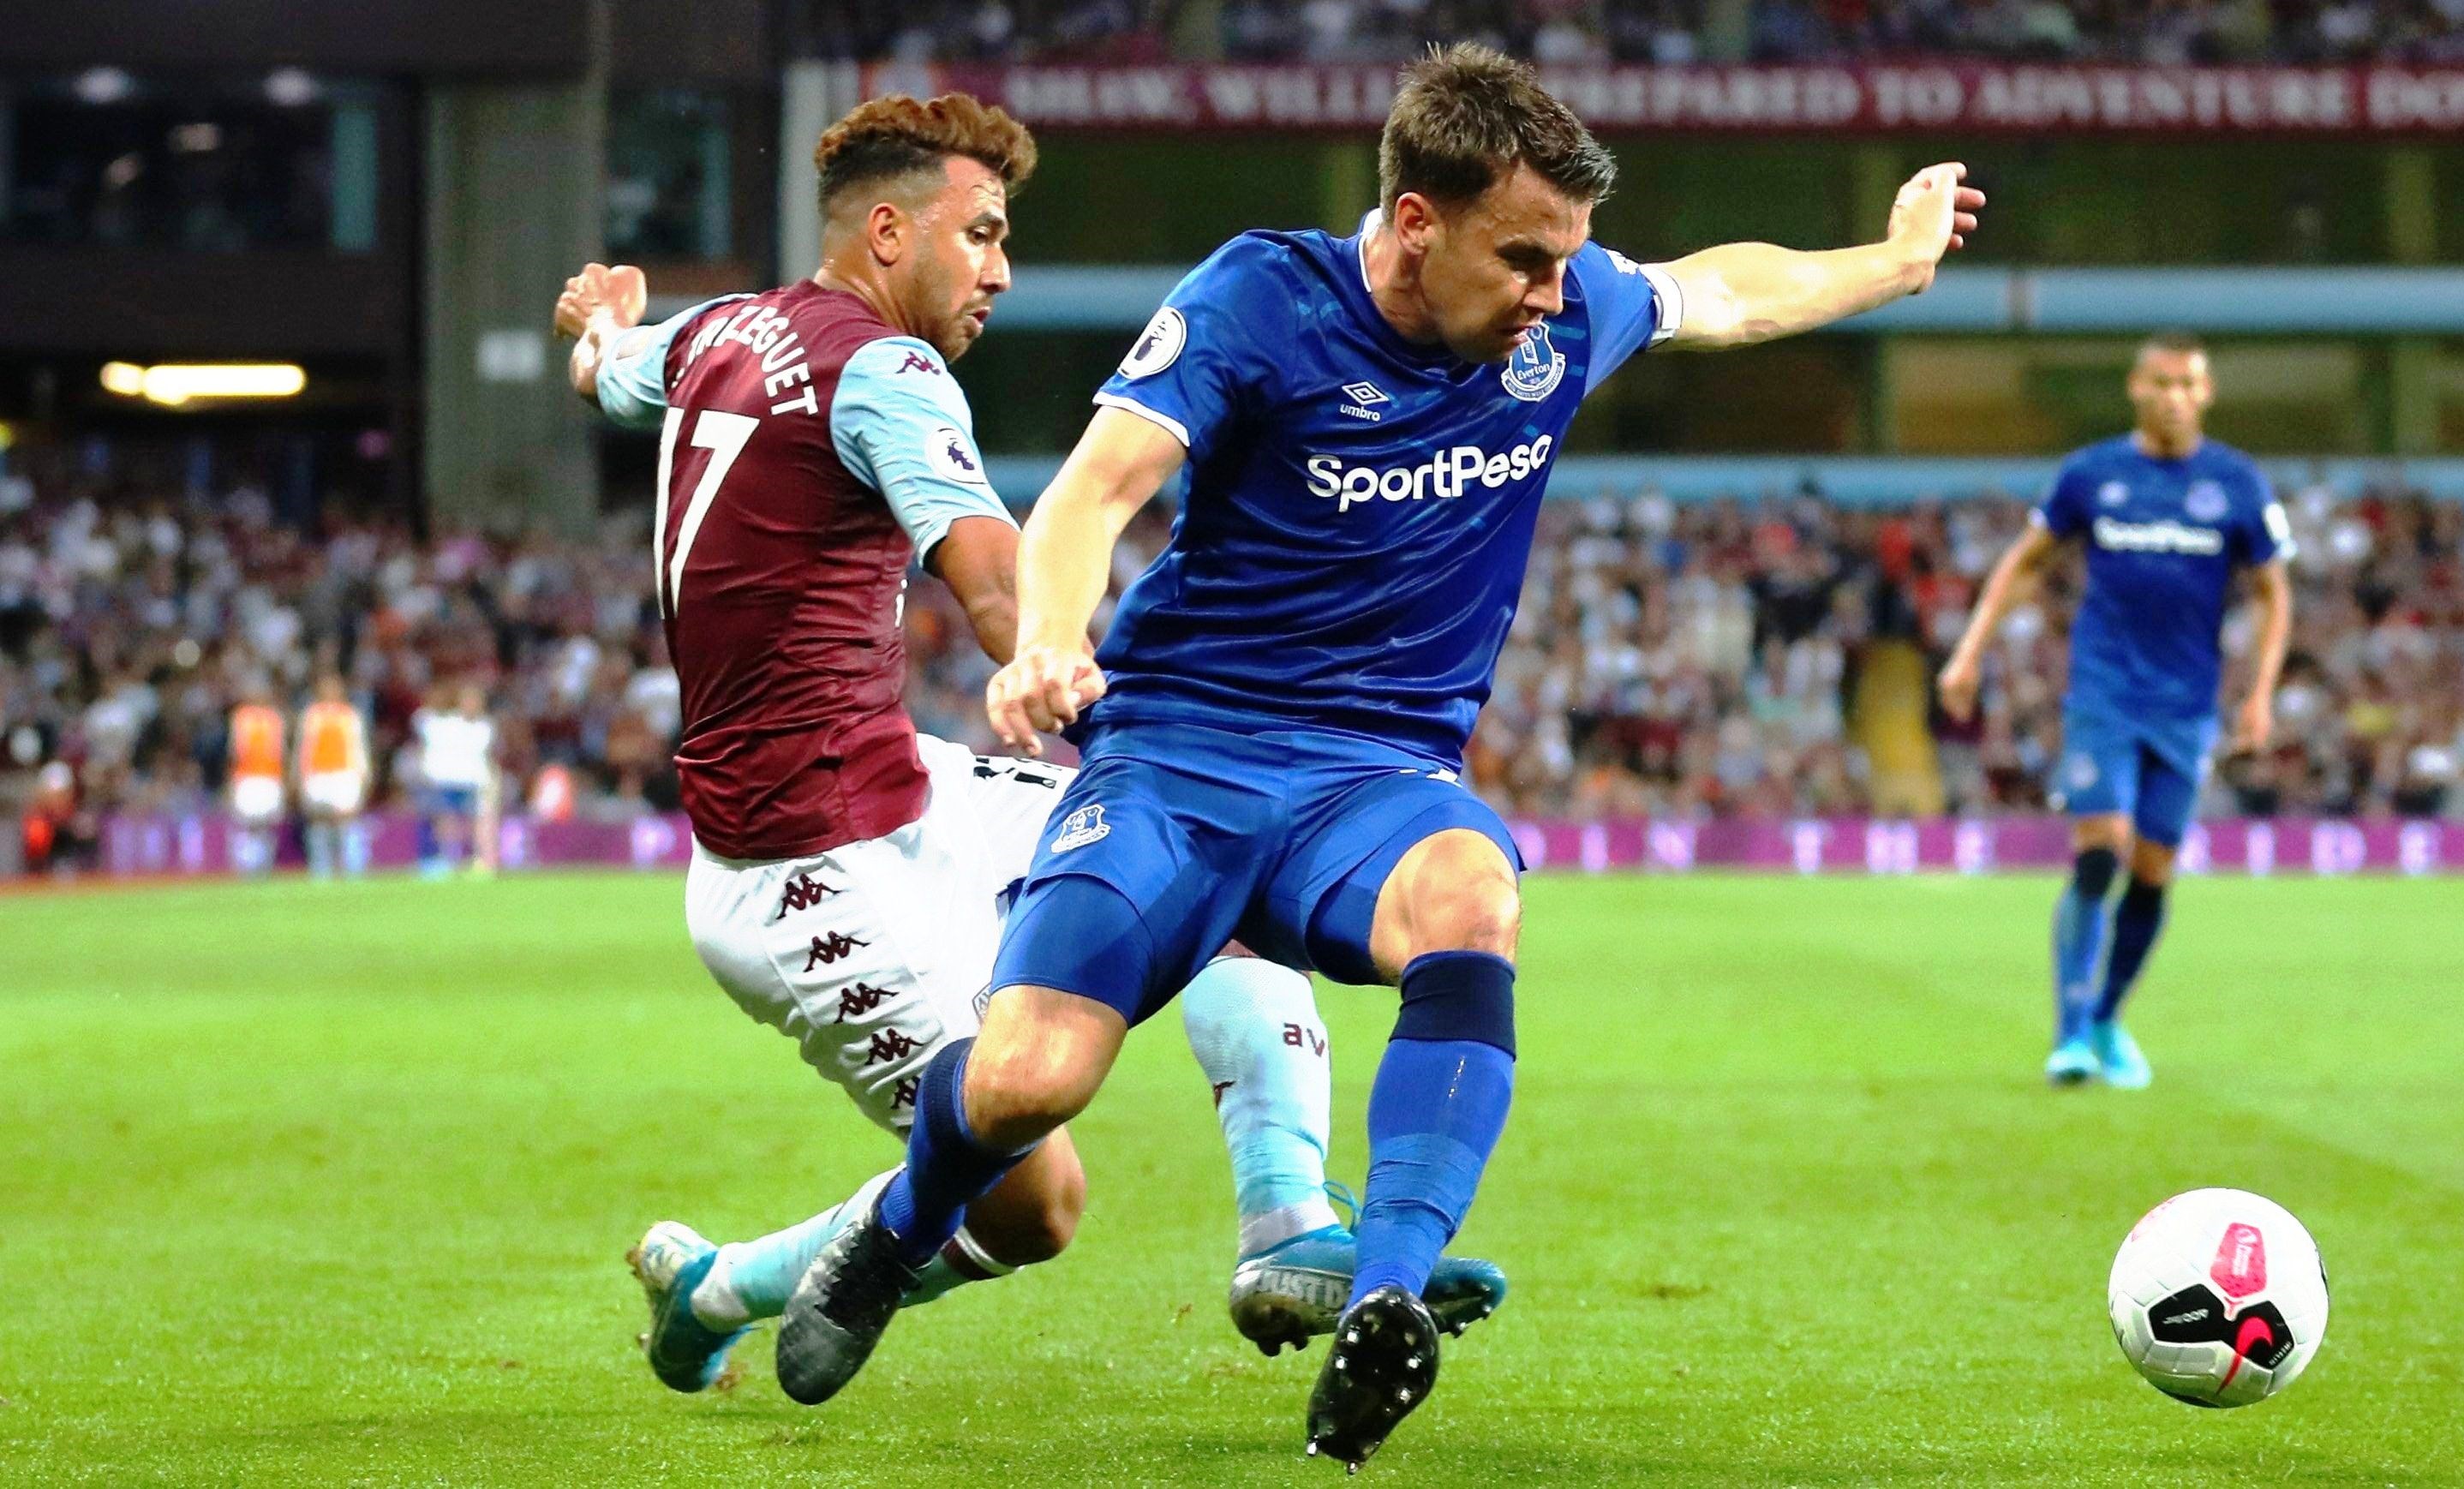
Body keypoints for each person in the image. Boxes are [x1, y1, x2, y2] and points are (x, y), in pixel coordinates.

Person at [780, 43, 1983, 1466]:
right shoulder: (1261, 297)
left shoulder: (1558, 315)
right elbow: (1095, 488)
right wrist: (1047, 637)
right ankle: (896, 1226)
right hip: (1179, 756)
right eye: (1522, 257)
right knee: (1028, 1081)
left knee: (1476, 895)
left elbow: (1723, 293)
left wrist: (1896, 264)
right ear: (1416, 222)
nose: (1555, 293)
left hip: (1373, 773)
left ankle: (1386, 1300)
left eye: (1566, 260)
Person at [554, 91, 1499, 1399]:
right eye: (981, 233)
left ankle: (1287, 1218)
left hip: (901, 783)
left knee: (1206, 847)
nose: (1000, 268)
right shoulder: (887, 374)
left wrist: (602, 324)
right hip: (802, 868)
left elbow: (610, 373)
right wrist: (1088, 688)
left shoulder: (717, 328)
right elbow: (1000, 579)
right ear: (888, 234)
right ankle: (717, 1286)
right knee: (1033, 1203)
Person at [1937, 331, 2294, 1090]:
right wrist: (1969, 650)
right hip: (2104, 693)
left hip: (2186, 706)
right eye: (2161, 383)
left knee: (2154, 867)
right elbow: (2025, 563)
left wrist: (2262, 693)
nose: (2174, 398)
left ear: (2206, 394)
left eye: (2188, 385)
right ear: (2136, 388)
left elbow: (2272, 592)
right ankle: (2069, 1035)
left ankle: (2106, 1018)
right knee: (2102, 846)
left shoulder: (2236, 482)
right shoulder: (2092, 474)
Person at [411, 682, 497, 877]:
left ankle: (478, 861)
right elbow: (421, 722)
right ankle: (444, 860)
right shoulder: (446, 723)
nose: (471, 705)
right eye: (467, 700)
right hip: (446, 782)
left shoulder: (485, 727)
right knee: (445, 822)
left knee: (476, 823)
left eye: (475, 701)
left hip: (473, 782)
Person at [296, 672, 371, 878]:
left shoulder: (350, 715)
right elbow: (304, 748)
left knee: (347, 820)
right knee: (319, 821)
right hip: (318, 774)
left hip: (344, 774)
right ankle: (321, 869)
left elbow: (358, 746)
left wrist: (364, 773)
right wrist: (301, 776)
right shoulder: (311, 716)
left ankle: (354, 867)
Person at [225, 684, 288, 876]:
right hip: (247, 777)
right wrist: (232, 780)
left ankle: (264, 866)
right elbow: (234, 752)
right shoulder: (241, 718)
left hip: (270, 777)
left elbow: (280, 752)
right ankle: (245, 867)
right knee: (247, 824)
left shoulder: (275, 718)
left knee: (266, 824)